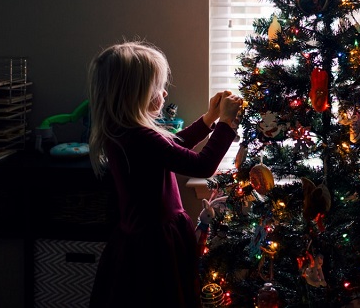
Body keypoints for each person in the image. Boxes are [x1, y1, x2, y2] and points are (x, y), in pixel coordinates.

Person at [87, 41, 243, 308]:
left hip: (140, 239)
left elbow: (172, 148)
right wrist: (226, 124)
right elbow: (202, 166)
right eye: (158, 87)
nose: (164, 93)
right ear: (136, 94)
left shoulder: (124, 132)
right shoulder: (141, 137)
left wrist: (209, 119)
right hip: (155, 245)